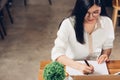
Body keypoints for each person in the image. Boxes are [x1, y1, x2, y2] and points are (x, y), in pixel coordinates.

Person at [51, 0, 115, 74]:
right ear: (80, 10)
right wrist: (79, 66)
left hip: (95, 66)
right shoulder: (68, 24)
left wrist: (105, 55)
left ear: (101, 9)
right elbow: (56, 53)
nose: (91, 17)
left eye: (96, 12)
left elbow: (108, 46)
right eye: (86, 12)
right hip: (72, 66)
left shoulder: (107, 22)